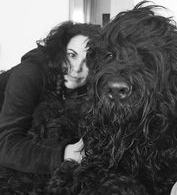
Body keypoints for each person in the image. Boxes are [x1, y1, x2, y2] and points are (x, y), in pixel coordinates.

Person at [0, 21, 101, 174]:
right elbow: (5, 144)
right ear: (60, 52)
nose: (76, 68)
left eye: (88, 61)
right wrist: (63, 154)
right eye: (72, 55)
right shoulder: (29, 74)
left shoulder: (84, 86)